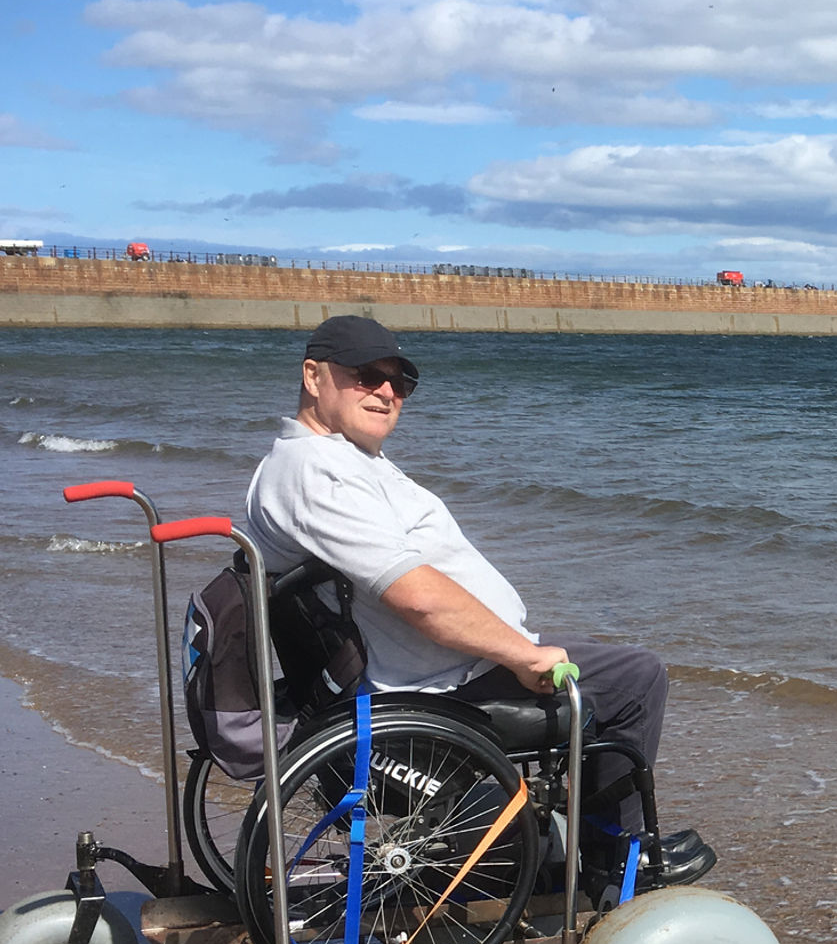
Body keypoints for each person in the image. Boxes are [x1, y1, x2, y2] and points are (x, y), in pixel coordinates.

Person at [245, 315, 685, 876]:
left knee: (610, 665)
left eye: (399, 383)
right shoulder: (316, 472)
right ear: (313, 377)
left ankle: (582, 849)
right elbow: (416, 596)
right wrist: (522, 656)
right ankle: (615, 862)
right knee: (635, 680)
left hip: (437, 665)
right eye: (366, 377)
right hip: (434, 685)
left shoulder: (333, 458)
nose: (386, 392)